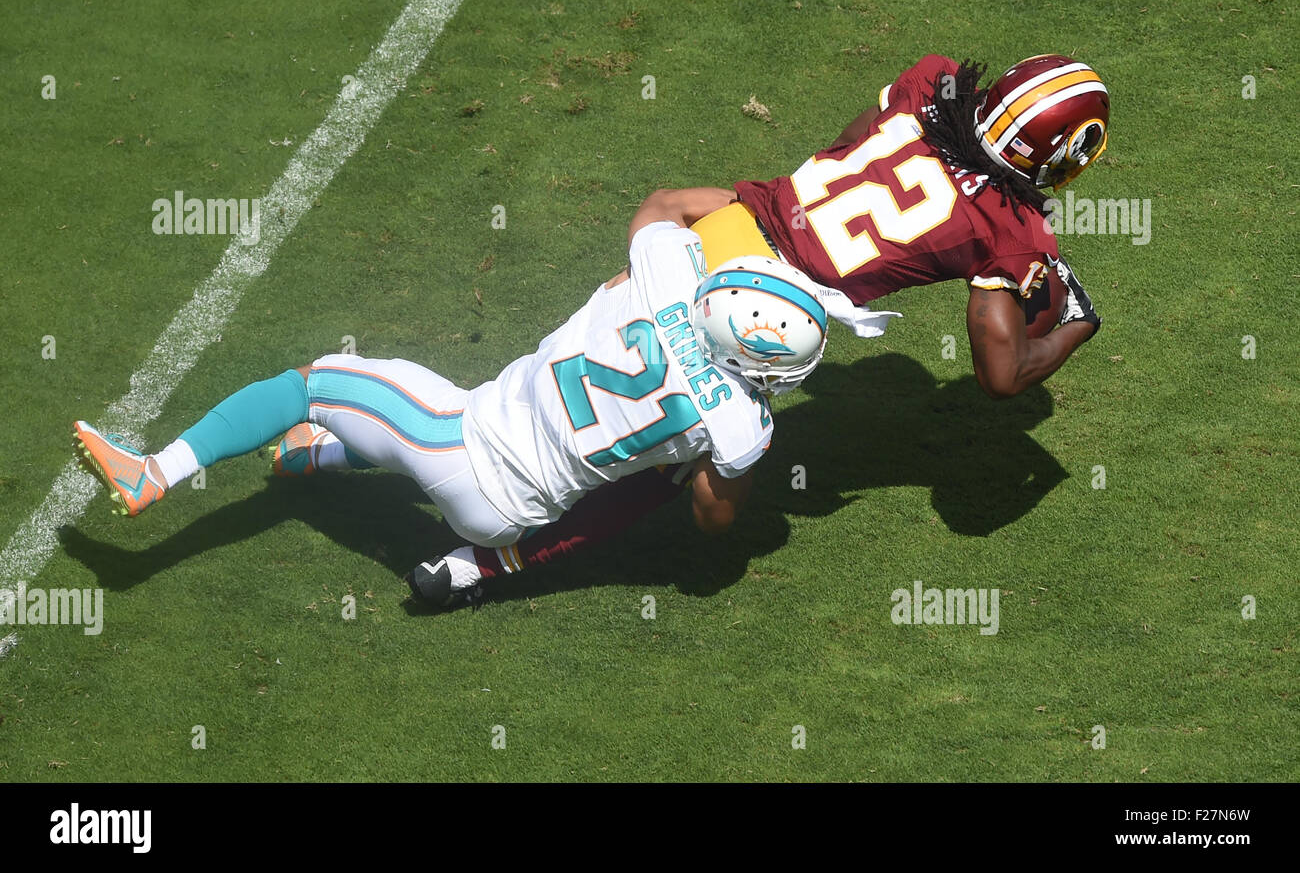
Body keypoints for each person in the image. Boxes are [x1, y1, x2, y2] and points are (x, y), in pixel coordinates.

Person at [435, 53, 1113, 592]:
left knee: (629, 277)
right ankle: (483, 563)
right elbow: (1002, 374)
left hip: (736, 221)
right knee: (677, 450)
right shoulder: (1013, 229)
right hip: (770, 306)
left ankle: (411, 425)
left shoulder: (929, 83)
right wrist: (1076, 320)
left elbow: (845, 146)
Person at [72, 190, 829, 608]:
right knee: (653, 466)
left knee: (307, 382)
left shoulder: (663, 269)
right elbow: (713, 517)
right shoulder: (740, 426)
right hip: (516, 515)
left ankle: (154, 474)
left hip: (459, 439)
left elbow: (666, 204)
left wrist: (741, 207)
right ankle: (325, 457)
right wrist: (726, 455)